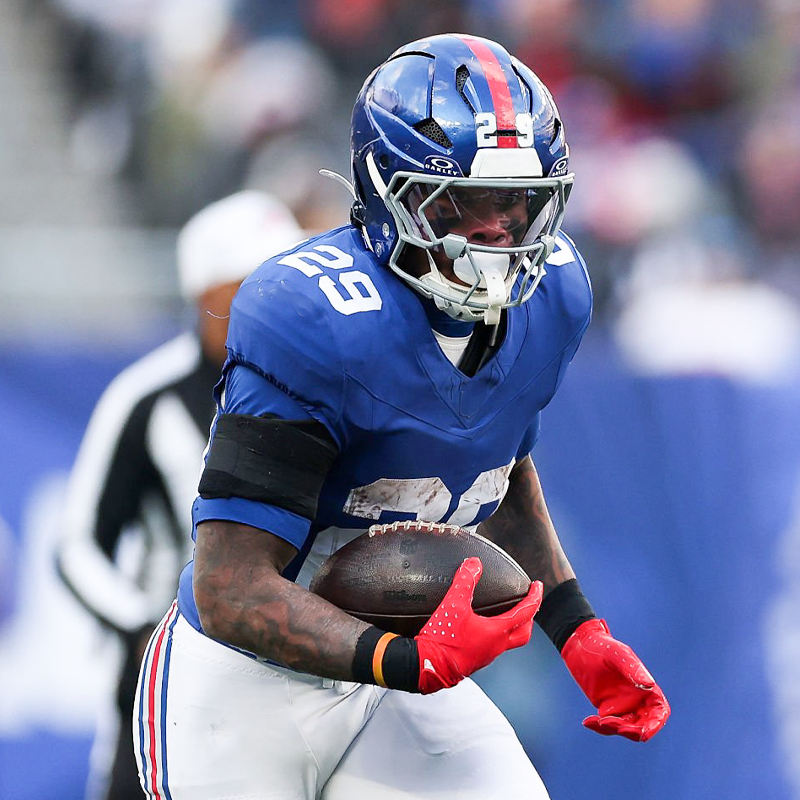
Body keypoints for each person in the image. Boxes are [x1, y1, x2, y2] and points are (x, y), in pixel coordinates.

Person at [135, 34, 670, 800]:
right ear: (389, 191)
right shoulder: (312, 314)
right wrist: (404, 659)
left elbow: (497, 469)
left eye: (516, 201)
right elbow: (231, 587)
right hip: (242, 687)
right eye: (464, 202)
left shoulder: (556, 295)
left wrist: (578, 630)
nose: (497, 231)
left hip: (392, 682)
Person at [57, 190, 304, 800]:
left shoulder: (318, 387)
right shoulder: (147, 397)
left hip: (296, 666)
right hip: (166, 678)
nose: (282, 300)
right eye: (256, 282)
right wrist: (142, 627)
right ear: (207, 294)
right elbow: (77, 545)